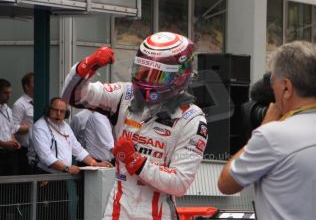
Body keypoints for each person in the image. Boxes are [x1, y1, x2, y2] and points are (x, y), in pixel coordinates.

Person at [61, 32, 208, 219]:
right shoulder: (125, 95)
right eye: (142, 71)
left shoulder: (191, 118)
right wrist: (87, 66)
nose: (146, 80)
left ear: (179, 77)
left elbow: (179, 184)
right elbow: (71, 96)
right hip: (116, 211)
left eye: (157, 75)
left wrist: (135, 161)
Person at [218, 41, 316, 219]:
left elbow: (226, 183)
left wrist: (264, 127)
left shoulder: (273, 136)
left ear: (286, 87)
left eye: (273, 82)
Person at [29, 97, 113, 220]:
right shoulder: (39, 127)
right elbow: (46, 157)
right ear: (48, 110)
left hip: (61, 177)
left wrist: (94, 163)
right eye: (55, 110)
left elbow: (77, 149)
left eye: (62, 111)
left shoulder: (65, 126)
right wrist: (67, 168)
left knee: (62, 212)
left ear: (66, 113)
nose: (58, 114)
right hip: (44, 177)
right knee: (46, 215)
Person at [0, 78, 28, 176]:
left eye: (10, 92)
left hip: (10, 153)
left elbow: (10, 130)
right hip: (1, 150)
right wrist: (4, 144)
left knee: (12, 186)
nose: (9, 96)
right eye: (5, 93)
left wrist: (14, 140)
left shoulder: (7, 109)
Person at [12, 72, 34, 174]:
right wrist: (30, 127)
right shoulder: (19, 104)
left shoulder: (40, 101)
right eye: (35, 82)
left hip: (40, 150)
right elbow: (12, 128)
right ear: (27, 86)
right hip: (25, 151)